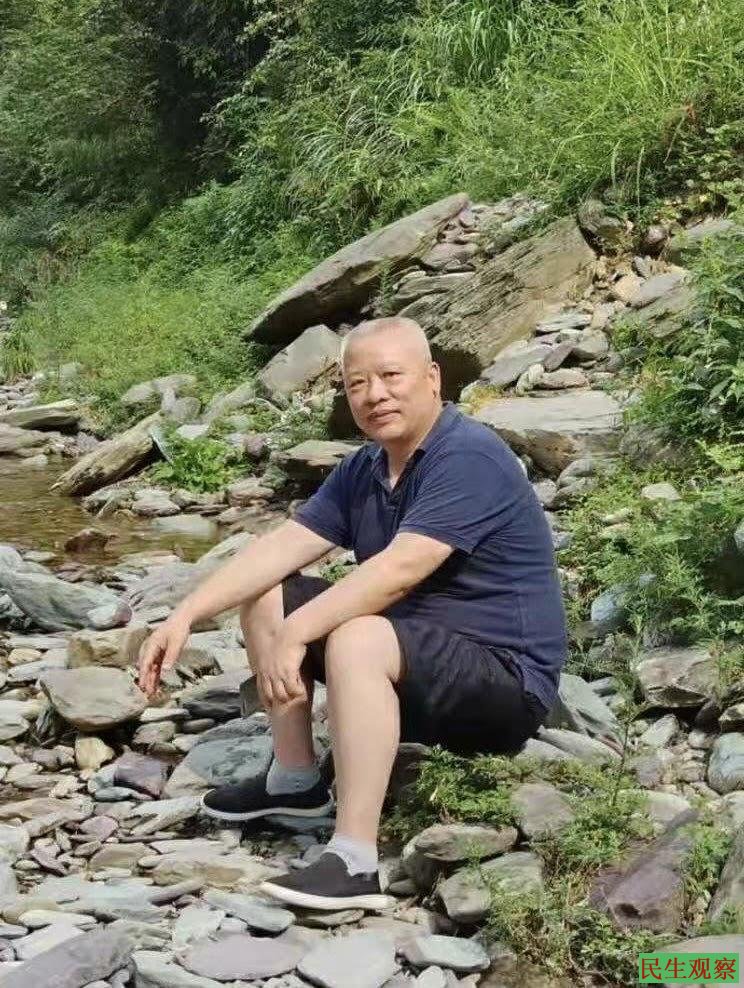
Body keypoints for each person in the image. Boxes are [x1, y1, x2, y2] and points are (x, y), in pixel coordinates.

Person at [137, 316, 567, 911]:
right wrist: (184, 614)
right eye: (357, 383)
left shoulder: (468, 455)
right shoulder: (366, 468)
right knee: (268, 591)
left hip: (501, 682)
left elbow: (401, 568)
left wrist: (298, 633)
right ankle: (295, 782)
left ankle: (354, 861)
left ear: (432, 378)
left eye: (391, 376)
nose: (374, 395)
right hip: (413, 663)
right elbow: (282, 547)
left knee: (356, 636)